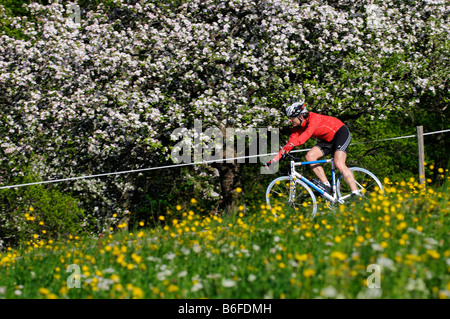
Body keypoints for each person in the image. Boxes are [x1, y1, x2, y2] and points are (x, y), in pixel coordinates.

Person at [265, 100, 360, 196]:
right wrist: (273, 161)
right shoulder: (296, 127)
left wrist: (292, 145)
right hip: (328, 140)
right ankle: (326, 185)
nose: (290, 120)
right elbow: (289, 144)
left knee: (339, 163)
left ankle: (355, 193)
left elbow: (304, 137)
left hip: (340, 133)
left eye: (291, 118)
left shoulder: (313, 118)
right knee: (310, 156)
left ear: (300, 116)